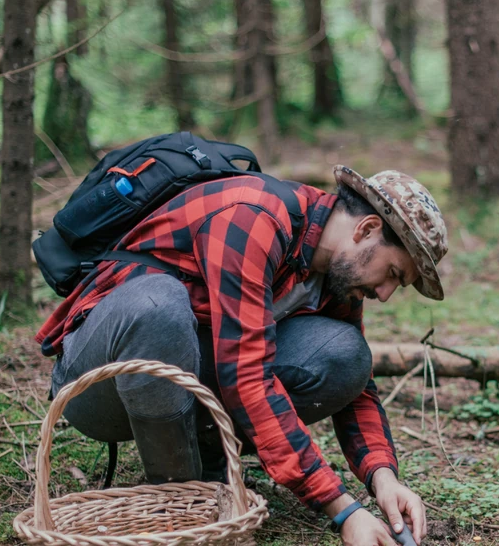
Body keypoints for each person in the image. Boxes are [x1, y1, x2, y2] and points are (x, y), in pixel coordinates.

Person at [33, 165, 447, 546]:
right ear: (367, 229)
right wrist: (343, 509)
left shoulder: (333, 273)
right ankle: (179, 498)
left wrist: (383, 478)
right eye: (394, 273)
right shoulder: (252, 217)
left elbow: (357, 389)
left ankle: (211, 466)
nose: (386, 294)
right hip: (97, 385)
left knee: (345, 353)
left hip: (190, 379)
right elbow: (247, 378)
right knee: (159, 307)